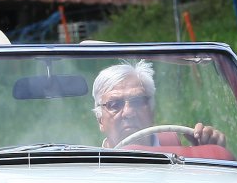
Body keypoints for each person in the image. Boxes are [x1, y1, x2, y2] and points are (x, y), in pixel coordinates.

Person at [92, 60, 227, 149]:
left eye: (138, 101)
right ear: (100, 120)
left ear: (152, 111)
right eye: (114, 104)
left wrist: (209, 152)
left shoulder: (182, 157)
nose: (128, 112)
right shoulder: (89, 171)